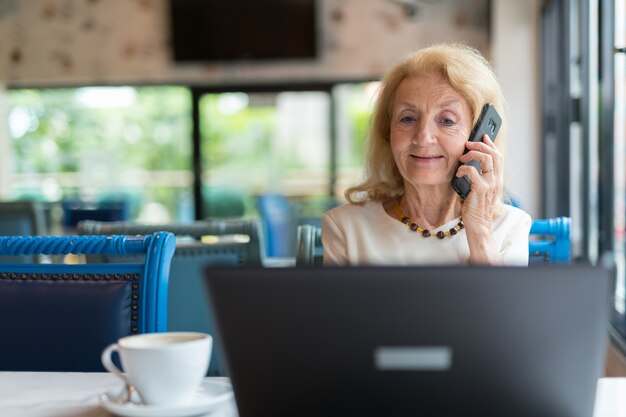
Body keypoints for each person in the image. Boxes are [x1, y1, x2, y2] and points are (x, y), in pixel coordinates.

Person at [322, 43, 531, 266]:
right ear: (387, 133)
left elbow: (500, 302)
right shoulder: (345, 227)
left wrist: (479, 231)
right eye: (408, 118)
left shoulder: (510, 226)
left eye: (447, 120)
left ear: (480, 140)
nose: (423, 137)